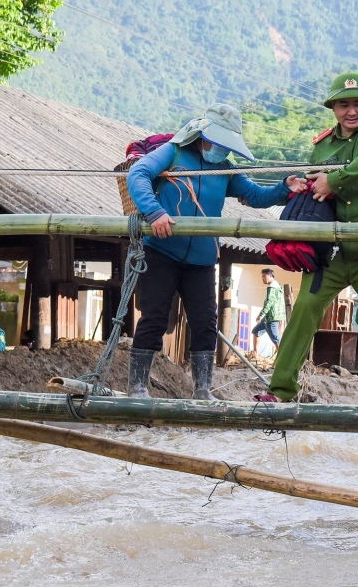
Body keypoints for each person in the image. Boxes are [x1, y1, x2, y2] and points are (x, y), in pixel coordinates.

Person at [126, 103, 304, 400]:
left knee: (205, 322)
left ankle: (202, 390)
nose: (221, 149)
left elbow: (257, 196)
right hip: (162, 252)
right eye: (218, 143)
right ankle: (137, 387)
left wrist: (284, 188)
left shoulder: (225, 169)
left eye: (226, 145)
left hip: (202, 259)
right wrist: (155, 212)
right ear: (202, 134)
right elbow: (138, 175)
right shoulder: (174, 152)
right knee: (154, 317)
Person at [256, 73, 358, 405]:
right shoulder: (322, 145)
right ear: (334, 108)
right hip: (330, 251)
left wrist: (334, 179)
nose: (352, 111)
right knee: (305, 308)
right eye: (344, 104)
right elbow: (312, 189)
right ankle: (280, 391)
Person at [251, 269, 285, 354]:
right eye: (262, 277)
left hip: (272, 317)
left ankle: (283, 358)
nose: (262, 278)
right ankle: (255, 354)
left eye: (264, 276)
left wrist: (261, 314)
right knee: (256, 331)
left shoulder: (273, 287)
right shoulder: (278, 286)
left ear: (270, 276)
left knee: (276, 339)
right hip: (271, 316)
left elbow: (269, 302)